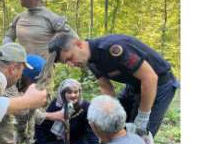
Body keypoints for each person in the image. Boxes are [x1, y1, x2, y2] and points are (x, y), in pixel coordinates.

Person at [3, 0, 80, 144]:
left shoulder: (51, 18)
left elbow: (73, 40)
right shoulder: (19, 18)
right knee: (19, 108)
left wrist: (58, 58)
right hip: (19, 74)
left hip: (42, 76)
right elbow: (8, 37)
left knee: (39, 111)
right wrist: (9, 51)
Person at [49, 33, 179, 138]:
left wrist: (143, 117)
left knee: (140, 136)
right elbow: (106, 87)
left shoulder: (113, 49)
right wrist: (110, 111)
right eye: (67, 62)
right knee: (114, 125)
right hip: (134, 86)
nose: (71, 64)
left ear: (79, 44)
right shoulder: (90, 60)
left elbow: (150, 78)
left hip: (159, 85)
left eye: (70, 57)